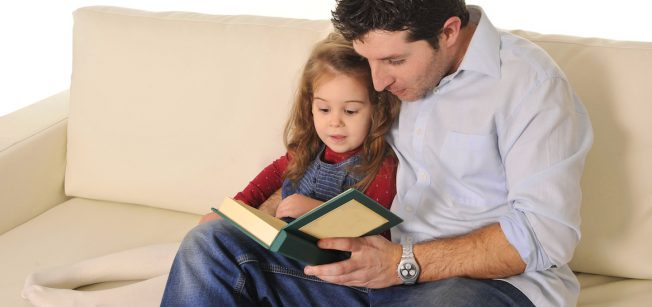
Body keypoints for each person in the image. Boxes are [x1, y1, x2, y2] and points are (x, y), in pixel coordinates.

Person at [162, 0, 594, 306]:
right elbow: (317, 155)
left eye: (393, 61)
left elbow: (544, 234)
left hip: (478, 286)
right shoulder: (386, 58)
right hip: (368, 268)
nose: (378, 81)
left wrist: (403, 264)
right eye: (367, 60)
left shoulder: (530, 85)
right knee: (211, 246)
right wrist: (263, 213)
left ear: (448, 32)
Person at [21, 32, 400, 307]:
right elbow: (270, 176)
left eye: (350, 111)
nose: (335, 123)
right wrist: (234, 207)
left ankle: (88, 302)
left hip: (322, 270)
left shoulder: (379, 166)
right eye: (323, 109)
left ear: (376, 109)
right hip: (277, 246)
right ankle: (80, 273)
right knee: (197, 243)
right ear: (309, 106)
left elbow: (372, 222)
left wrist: (310, 210)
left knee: (204, 265)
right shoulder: (309, 149)